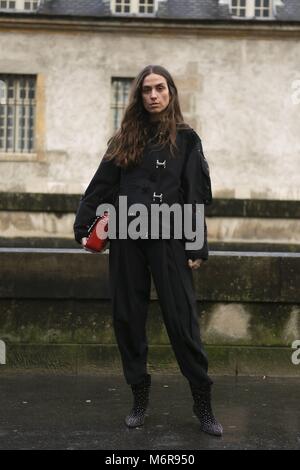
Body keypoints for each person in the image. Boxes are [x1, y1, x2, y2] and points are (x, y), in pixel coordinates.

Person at [73, 64, 223, 437]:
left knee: (182, 319)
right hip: (126, 237)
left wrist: (197, 244)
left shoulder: (187, 140)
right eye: (146, 90)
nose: (153, 95)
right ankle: (139, 397)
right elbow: (100, 186)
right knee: (127, 317)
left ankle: (202, 401)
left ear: (170, 92)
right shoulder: (124, 138)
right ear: (138, 96)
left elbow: (194, 194)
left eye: (159, 88)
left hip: (170, 238)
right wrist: (82, 226)